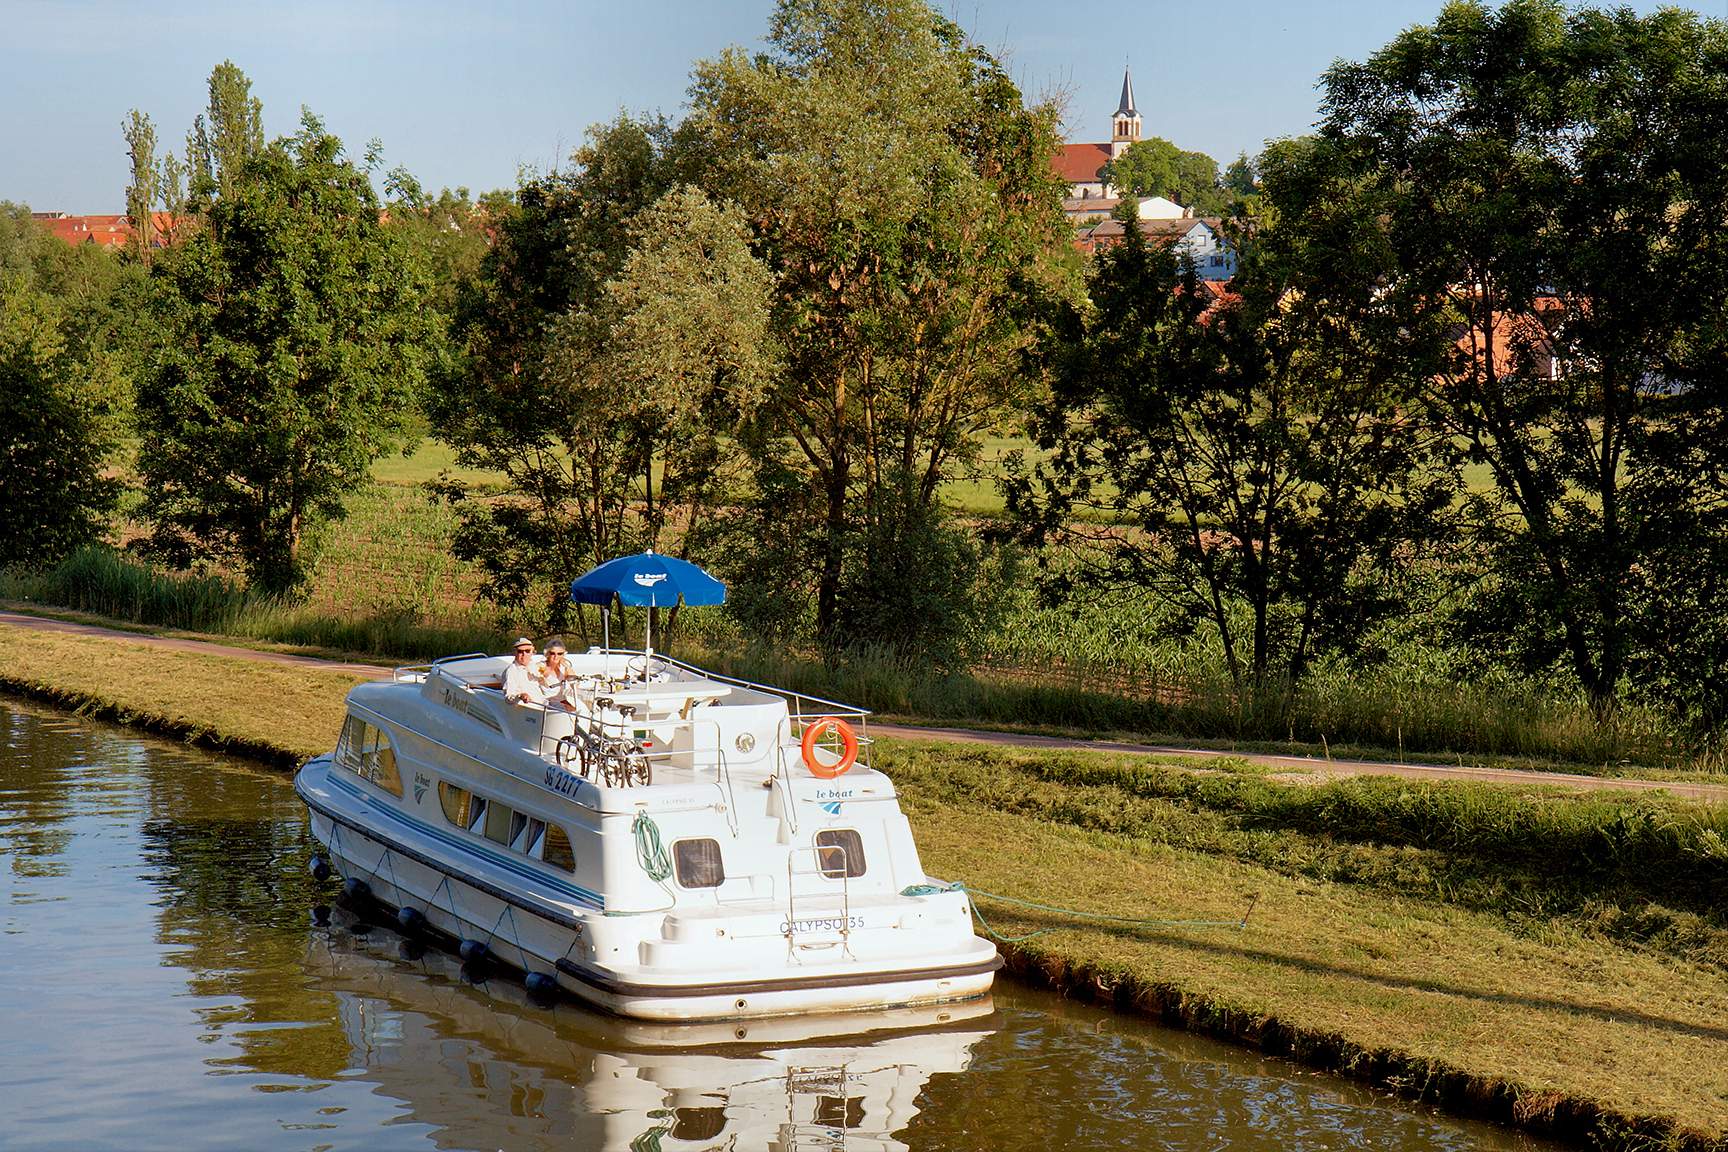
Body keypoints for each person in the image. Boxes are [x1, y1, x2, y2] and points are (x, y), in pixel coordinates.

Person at [502, 637, 545, 705]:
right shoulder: (511, 671)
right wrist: (520, 696)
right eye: (520, 651)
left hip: (544, 704)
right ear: (515, 653)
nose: (524, 654)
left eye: (527, 651)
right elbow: (508, 698)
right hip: (530, 708)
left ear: (532, 652)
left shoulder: (535, 666)